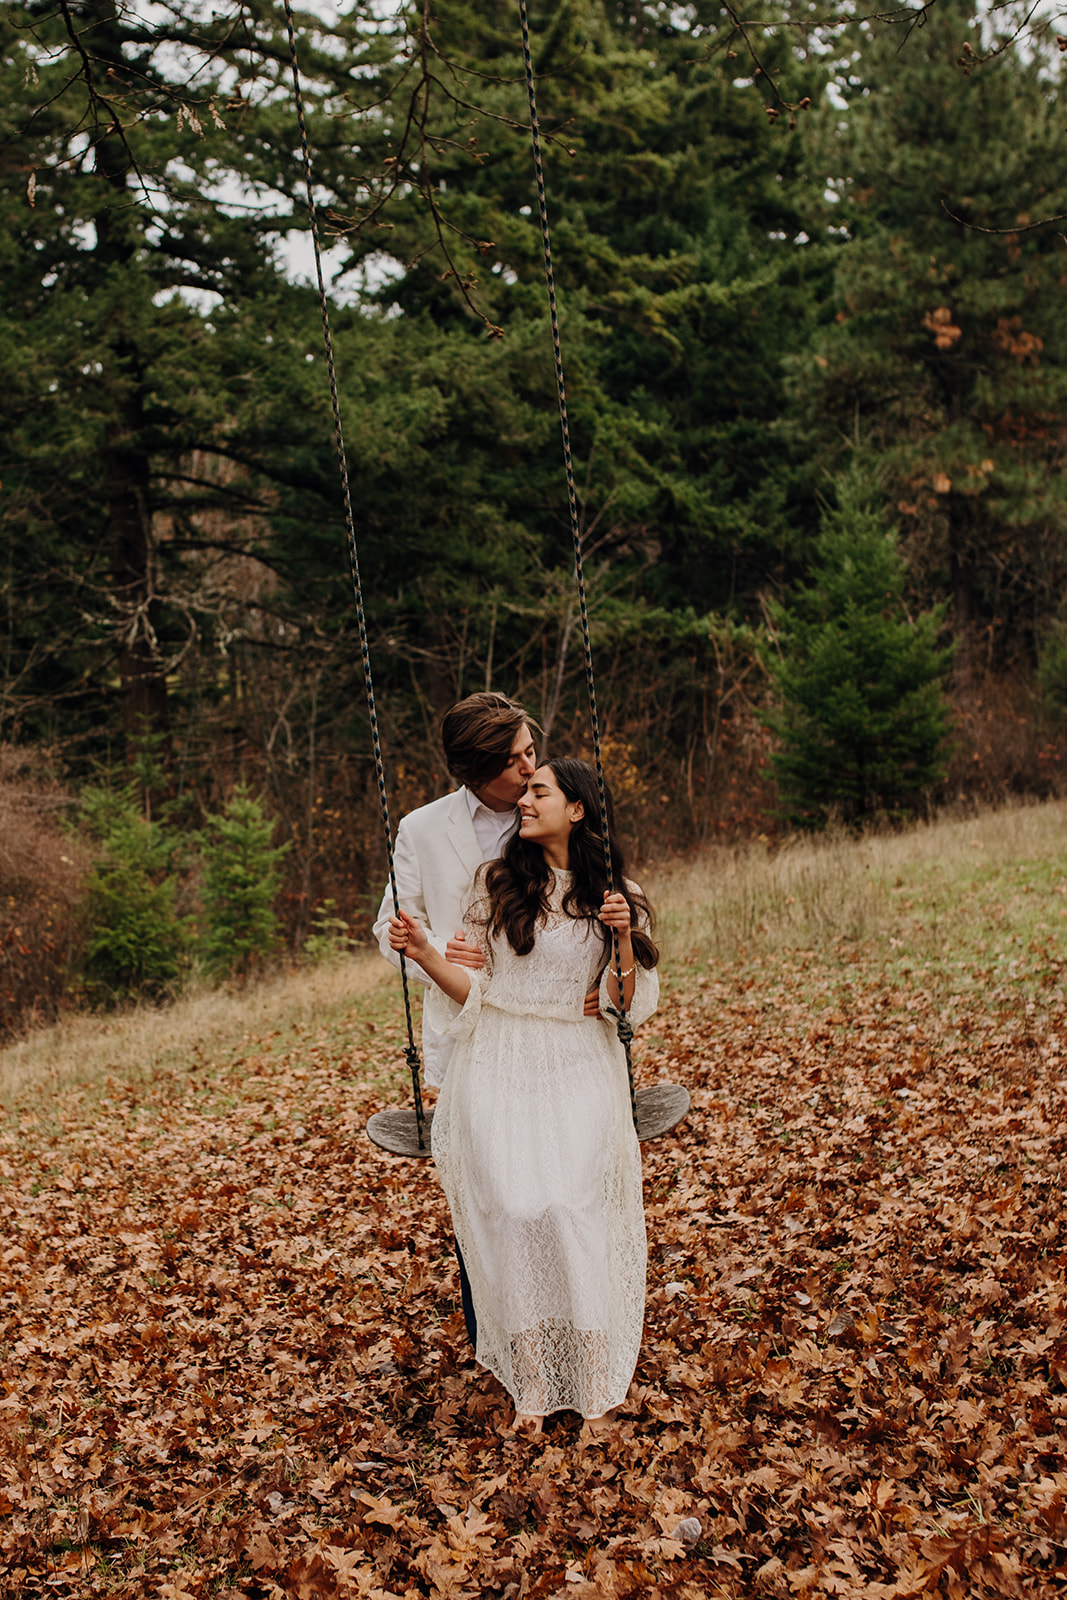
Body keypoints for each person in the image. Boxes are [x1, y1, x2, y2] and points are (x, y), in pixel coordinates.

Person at [388, 757, 659, 1433]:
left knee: (569, 1207)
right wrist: (423, 955)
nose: (525, 801)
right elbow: (474, 991)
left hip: (576, 1060)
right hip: (500, 1058)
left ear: (576, 810)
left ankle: (593, 1378)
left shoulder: (616, 893)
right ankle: (534, 1385)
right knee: (512, 1209)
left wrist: (621, 938)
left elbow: (621, 1007)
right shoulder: (498, 882)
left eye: (539, 791)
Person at [372, 692, 540, 1090]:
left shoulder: (556, 807)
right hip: (467, 1023)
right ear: (474, 771)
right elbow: (388, 928)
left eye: (531, 751)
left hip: (546, 1014)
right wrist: (438, 953)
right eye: (511, 760)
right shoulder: (421, 828)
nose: (529, 768)